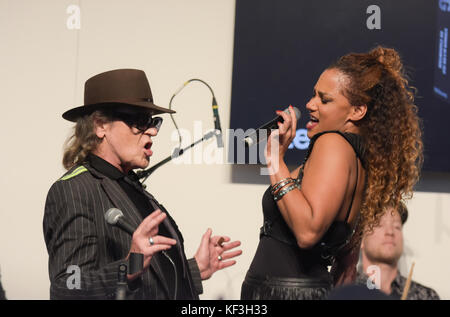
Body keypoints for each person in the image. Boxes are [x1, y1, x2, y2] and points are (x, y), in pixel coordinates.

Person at [241, 46, 423, 300]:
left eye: (324, 99)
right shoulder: (360, 161)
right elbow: (346, 268)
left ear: (357, 111)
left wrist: (274, 159)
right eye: (314, 95)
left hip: (282, 293)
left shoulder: (332, 144)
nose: (310, 104)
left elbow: (307, 232)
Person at [43, 69, 242, 299]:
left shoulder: (130, 184)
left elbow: (152, 279)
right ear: (100, 126)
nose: (153, 131)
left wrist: (195, 269)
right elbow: (68, 286)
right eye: (139, 122)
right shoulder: (75, 190)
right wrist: (128, 267)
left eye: (153, 121)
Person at [356, 203, 440, 300]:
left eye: (397, 227)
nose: (390, 232)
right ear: (361, 240)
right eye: (379, 224)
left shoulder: (426, 296)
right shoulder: (344, 292)